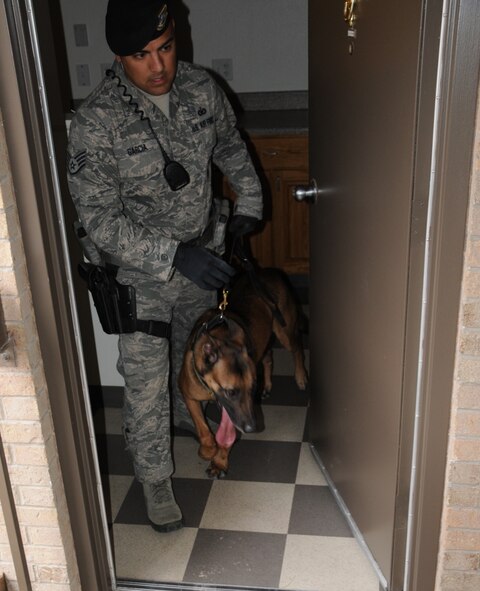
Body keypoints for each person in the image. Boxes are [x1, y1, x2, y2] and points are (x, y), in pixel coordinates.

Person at [67, 0, 262, 533]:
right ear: (118, 56)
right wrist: (174, 255)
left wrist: (249, 205)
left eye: (166, 48)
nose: (158, 67)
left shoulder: (201, 89)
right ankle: (155, 481)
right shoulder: (94, 123)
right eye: (140, 55)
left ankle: (193, 425)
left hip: (204, 266)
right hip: (141, 279)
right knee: (147, 385)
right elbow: (100, 221)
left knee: (193, 364)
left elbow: (230, 147)